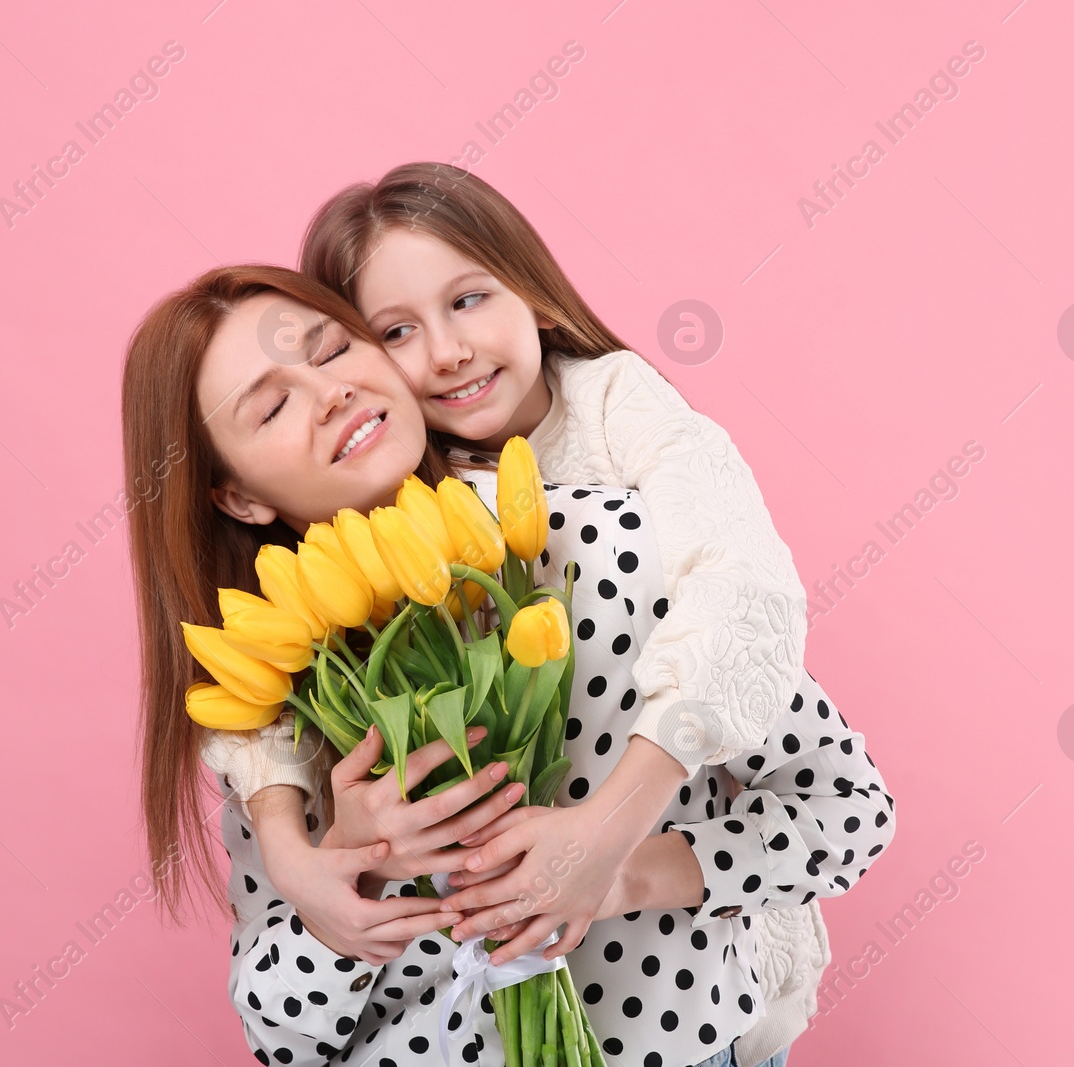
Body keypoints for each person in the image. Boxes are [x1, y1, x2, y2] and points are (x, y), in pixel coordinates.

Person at [121, 265, 896, 1066]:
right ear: (238, 497)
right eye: (274, 405)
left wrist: (621, 872)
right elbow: (282, 1039)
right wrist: (350, 886)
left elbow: (846, 808)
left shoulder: (602, 552)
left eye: (334, 350)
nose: (330, 394)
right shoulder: (274, 698)